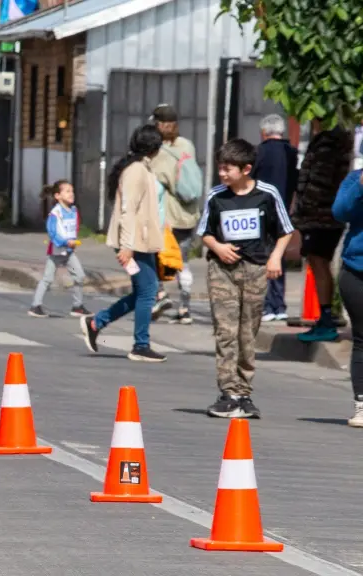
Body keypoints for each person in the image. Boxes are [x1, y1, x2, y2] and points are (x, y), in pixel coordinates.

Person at [198, 139, 294, 418]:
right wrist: (218, 247)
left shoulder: (267, 194)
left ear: (246, 169)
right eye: (220, 168)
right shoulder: (216, 196)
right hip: (222, 271)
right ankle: (228, 392)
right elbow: (205, 232)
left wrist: (275, 257)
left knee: (247, 333)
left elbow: (285, 230)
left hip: (255, 270)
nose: (222, 174)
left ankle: (244, 392)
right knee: (226, 331)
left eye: (228, 169)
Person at [80, 125, 167, 362]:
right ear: (154, 148)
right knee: (148, 291)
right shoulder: (136, 171)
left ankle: (96, 323)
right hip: (134, 243)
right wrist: (127, 247)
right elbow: (128, 211)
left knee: (143, 292)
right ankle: (140, 345)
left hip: (141, 242)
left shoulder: (140, 167)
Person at [292, 124, 354, 342]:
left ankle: (326, 318)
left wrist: (303, 209)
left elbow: (320, 181)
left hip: (320, 216)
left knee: (319, 262)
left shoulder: (328, 143)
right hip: (324, 215)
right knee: (318, 262)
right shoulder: (335, 141)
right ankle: (325, 317)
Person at [149, 104, 202, 325]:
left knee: (156, 258)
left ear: (159, 124)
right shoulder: (187, 145)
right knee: (183, 261)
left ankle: (160, 295)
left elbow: (157, 181)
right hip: (188, 214)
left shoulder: (158, 152)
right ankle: (185, 308)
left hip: (167, 216)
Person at [250, 114, 300, 322]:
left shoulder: (258, 152)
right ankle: (279, 306)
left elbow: (250, 179)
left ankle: (268, 306)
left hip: (262, 210)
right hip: (284, 209)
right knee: (279, 256)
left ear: (264, 132)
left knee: (264, 257)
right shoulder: (292, 153)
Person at [29, 180, 88, 318]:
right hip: (56, 251)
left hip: (69, 252)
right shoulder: (55, 213)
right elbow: (53, 232)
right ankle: (35, 306)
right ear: (57, 196)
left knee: (79, 276)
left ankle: (77, 306)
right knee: (47, 279)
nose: (71, 194)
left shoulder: (73, 210)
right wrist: (65, 242)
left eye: (72, 191)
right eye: (67, 191)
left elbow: (75, 227)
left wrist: (73, 241)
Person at [331, 168, 363, 427]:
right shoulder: (355, 179)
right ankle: (362, 404)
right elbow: (340, 211)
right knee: (362, 339)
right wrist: (361, 185)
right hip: (356, 270)